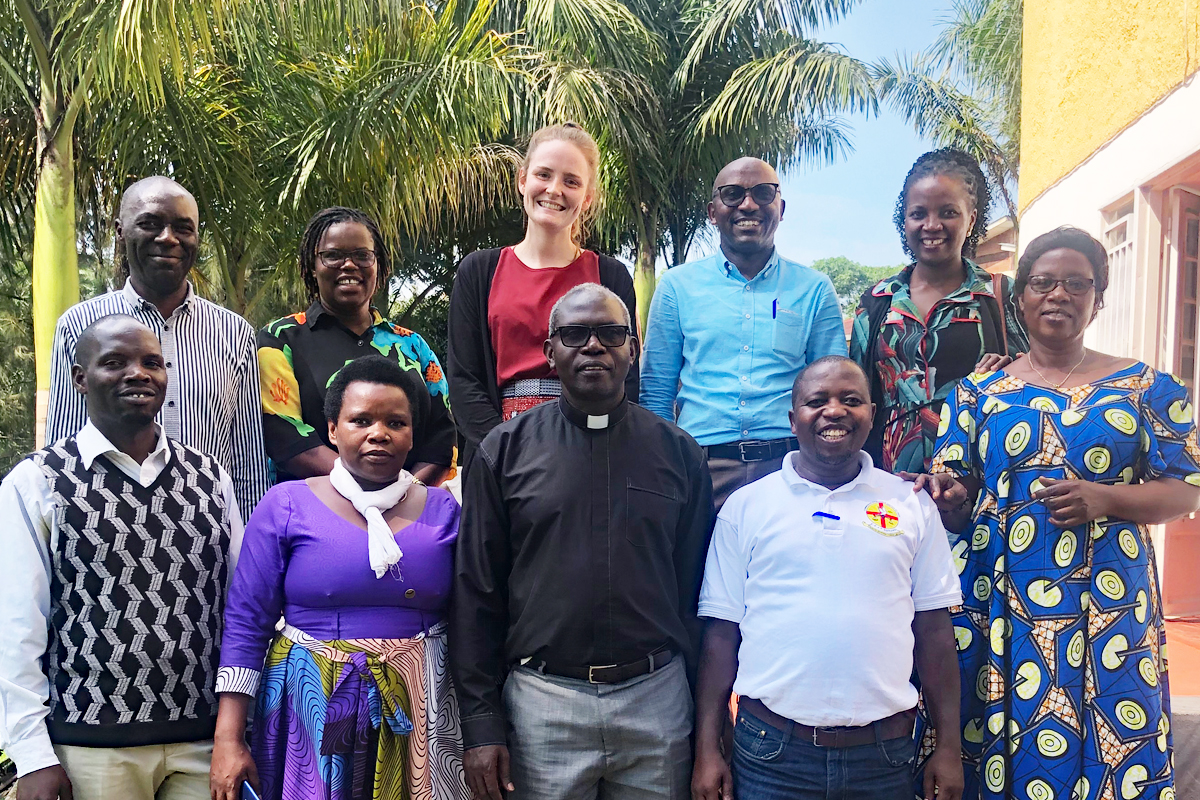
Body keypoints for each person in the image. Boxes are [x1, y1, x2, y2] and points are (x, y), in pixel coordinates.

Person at [914, 226, 1200, 799]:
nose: (1059, 295)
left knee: (1112, 735)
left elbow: (1186, 489)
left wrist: (1106, 498)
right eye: (1043, 282)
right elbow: (959, 493)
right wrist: (947, 497)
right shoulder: (976, 392)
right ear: (1019, 298)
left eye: (1077, 284)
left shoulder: (1148, 387)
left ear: (1099, 296)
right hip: (999, 602)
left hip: (1108, 601)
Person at [451, 283, 713, 800]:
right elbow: (476, 592)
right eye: (574, 334)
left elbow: (697, 596)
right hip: (544, 704)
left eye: (611, 333)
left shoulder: (681, 454)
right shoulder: (502, 452)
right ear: (550, 352)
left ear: (633, 350)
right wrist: (481, 722)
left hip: (656, 701)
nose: (593, 346)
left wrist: (707, 725)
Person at [691, 356, 964, 800]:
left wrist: (948, 747)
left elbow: (934, 632)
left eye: (850, 400)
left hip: (885, 755)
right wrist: (707, 749)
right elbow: (721, 637)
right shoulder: (746, 507)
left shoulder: (911, 504)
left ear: (871, 415)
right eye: (817, 401)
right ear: (792, 419)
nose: (834, 411)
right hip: (772, 755)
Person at [1, 314, 243, 800]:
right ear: (79, 377)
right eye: (115, 362)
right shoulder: (38, 481)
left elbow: (238, 608)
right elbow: (15, 625)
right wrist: (32, 756)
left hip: (202, 744)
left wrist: (237, 731)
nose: (138, 373)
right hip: (90, 751)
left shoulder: (208, 475)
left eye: (151, 362)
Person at [210, 355, 468, 800]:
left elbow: (472, 620)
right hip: (307, 705)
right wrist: (228, 739)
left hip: (422, 705)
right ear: (333, 430)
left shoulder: (444, 510)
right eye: (360, 420)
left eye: (396, 422)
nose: (378, 433)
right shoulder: (286, 504)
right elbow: (246, 623)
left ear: (412, 434)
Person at [46, 175, 270, 515]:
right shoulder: (79, 326)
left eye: (183, 227)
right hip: (105, 527)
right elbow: (63, 446)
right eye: (150, 223)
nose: (168, 238)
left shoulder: (233, 331)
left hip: (209, 533)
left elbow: (247, 459)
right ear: (120, 231)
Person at [641, 157, 845, 509]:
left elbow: (833, 394)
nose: (748, 204)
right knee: (699, 566)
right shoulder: (677, 287)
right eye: (732, 194)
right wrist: (664, 468)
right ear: (712, 211)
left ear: (781, 207)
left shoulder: (814, 290)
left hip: (790, 469)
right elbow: (657, 391)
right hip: (700, 469)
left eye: (763, 193)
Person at [446, 122, 638, 470]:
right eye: (544, 174)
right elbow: (464, 379)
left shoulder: (610, 276)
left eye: (571, 181)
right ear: (523, 180)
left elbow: (627, 376)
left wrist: (594, 447)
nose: (554, 189)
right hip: (498, 453)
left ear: (587, 197)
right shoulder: (479, 272)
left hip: (590, 453)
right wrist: (504, 452)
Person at [850, 148, 1028, 475]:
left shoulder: (1002, 295)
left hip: (981, 482)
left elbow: (1040, 379)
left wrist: (1008, 372)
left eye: (948, 212)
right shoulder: (876, 303)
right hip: (890, 491)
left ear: (971, 218)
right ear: (904, 220)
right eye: (918, 214)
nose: (932, 225)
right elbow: (854, 396)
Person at [257, 207, 454, 485]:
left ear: (379, 264)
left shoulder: (413, 346)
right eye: (333, 255)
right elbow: (284, 436)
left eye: (362, 255)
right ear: (313, 267)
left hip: (409, 511)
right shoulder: (280, 339)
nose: (349, 265)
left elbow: (442, 437)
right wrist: (369, 489)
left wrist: (404, 494)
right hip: (317, 510)